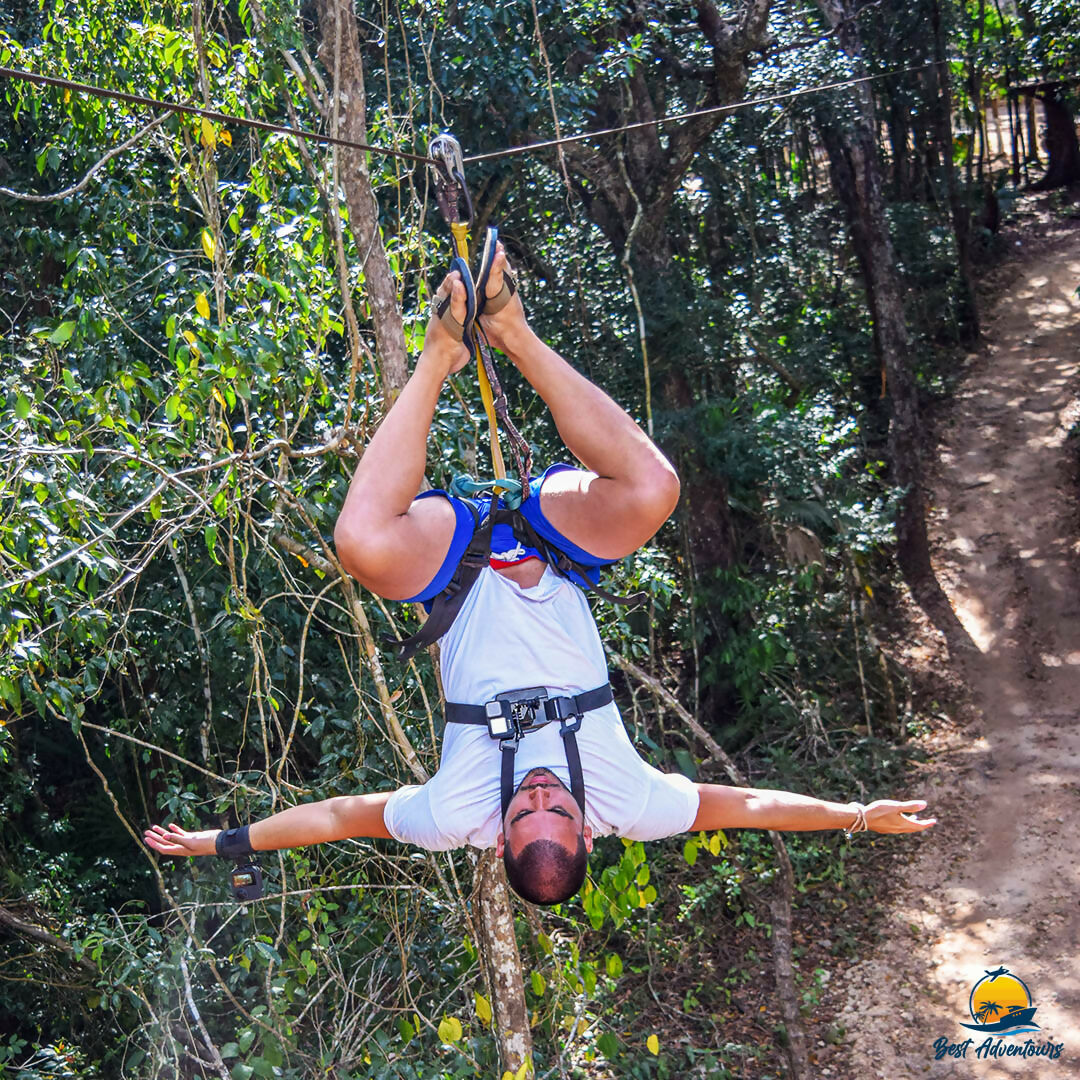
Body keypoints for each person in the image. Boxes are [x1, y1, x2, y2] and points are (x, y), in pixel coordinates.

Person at [144, 245, 936, 905]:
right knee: (655, 490)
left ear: (499, 839)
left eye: (526, 811)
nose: (542, 793)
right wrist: (856, 814)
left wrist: (224, 842)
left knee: (359, 543)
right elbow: (751, 805)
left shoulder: (454, 816)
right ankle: (511, 330)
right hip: (553, 546)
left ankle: (441, 353)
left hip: (456, 566)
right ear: (589, 830)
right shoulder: (631, 801)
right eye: (558, 808)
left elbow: (339, 818)